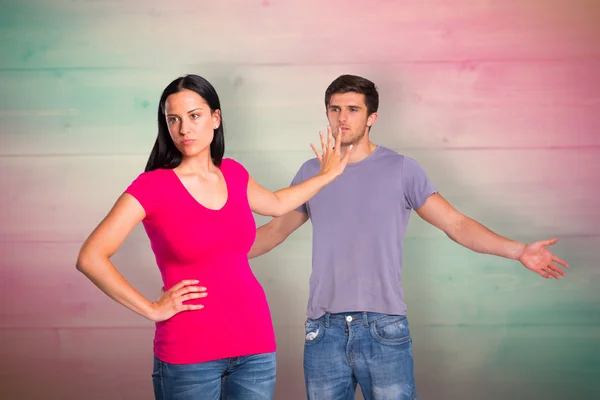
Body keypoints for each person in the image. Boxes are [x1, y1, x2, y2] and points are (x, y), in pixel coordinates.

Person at [248, 74, 570, 400]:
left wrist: (518, 251)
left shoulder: (401, 169)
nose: (342, 118)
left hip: (383, 326)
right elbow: (275, 232)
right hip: (323, 329)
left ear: (372, 117)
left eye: (353, 109)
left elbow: (456, 224)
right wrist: (203, 255)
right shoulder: (310, 172)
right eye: (335, 109)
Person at [75, 74, 352, 400]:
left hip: (255, 346)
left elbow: (277, 204)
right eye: (173, 120)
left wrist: (328, 175)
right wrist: (152, 309)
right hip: (189, 354)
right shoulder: (152, 187)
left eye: (194, 116)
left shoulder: (233, 173)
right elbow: (90, 257)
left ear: (215, 118)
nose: (184, 129)